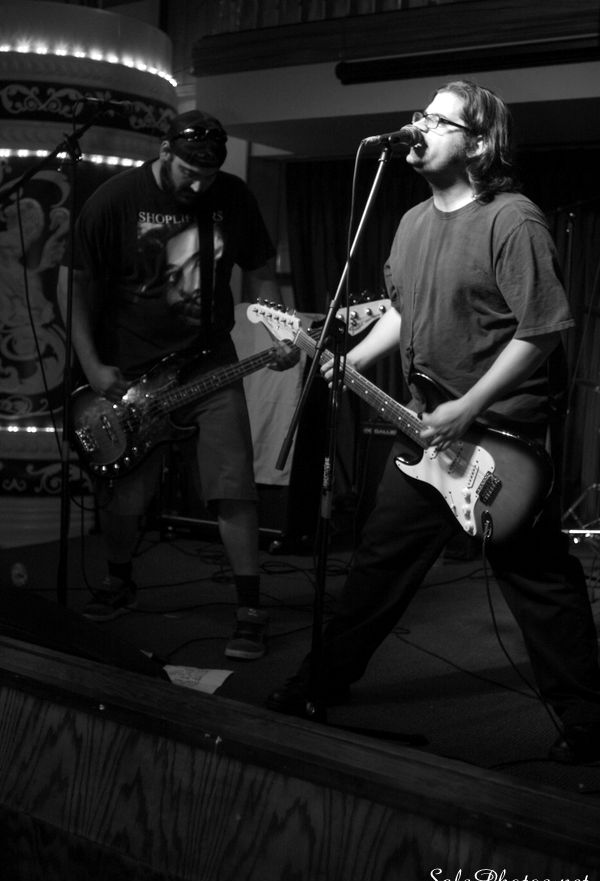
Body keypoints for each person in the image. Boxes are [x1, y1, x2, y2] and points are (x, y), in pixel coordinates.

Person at [267, 80, 600, 763]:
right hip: (424, 432)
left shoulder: (513, 220)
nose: (418, 126)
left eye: (439, 120)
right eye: (419, 114)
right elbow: (401, 309)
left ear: (477, 143)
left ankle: (589, 723)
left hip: (499, 440)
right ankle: (318, 683)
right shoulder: (411, 222)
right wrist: (352, 358)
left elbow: (542, 330)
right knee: (377, 568)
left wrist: (467, 407)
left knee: (540, 583)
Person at [60, 109, 296, 660]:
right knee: (127, 491)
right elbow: (72, 285)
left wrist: (279, 331)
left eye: (207, 176)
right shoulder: (115, 200)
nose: (197, 186)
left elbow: (261, 271)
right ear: (164, 151)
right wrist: (91, 365)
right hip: (129, 369)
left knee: (233, 482)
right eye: (189, 172)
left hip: (209, 362)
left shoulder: (232, 197)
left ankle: (249, 608)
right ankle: (119, 580)